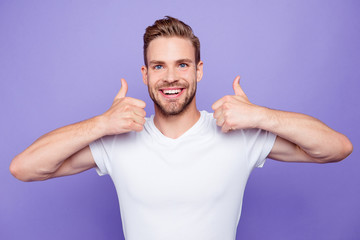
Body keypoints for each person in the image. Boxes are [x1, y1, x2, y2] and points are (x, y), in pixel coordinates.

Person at [10, 16, 352, 240]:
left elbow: (336, 148)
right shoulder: (117, 140)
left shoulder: (239, 133)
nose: (171, 77)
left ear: (198, 71)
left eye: (182, 64)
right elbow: (24, 168)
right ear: (145, 75)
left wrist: (260, 115)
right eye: (158, 66)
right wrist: (101, 123)